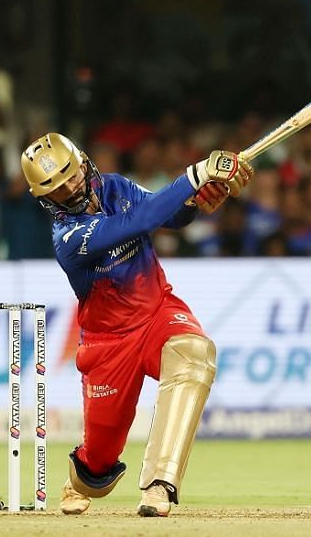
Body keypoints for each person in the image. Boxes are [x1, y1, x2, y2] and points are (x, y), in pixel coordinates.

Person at [20, 133, 251, 517]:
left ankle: (160, 484)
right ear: (46, 199)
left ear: (83, 162)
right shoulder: (67, 236)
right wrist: (193, 177)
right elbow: (136, 222)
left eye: (72, 176)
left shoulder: (117, 187)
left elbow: (170, 216)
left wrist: (200, 197)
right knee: (99, 466)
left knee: (195, 355)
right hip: (108, 342)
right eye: (58, 190)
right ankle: (77, 479)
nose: (72, 190)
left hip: (158, 310)